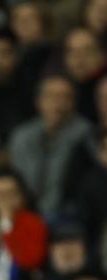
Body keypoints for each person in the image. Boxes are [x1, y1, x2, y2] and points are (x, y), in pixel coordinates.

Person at [9, 75, 93, 217]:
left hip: (68, 213)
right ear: (38, 101)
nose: (59, 104)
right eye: (52, 96)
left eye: (66, 97)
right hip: (25, 211)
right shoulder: (21, 137)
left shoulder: (86, 136)